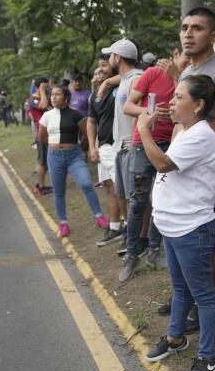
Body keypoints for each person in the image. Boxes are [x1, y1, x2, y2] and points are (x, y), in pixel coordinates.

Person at [142, 76, 215, 371]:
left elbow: (163, 164)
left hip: (191, 228)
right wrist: (176, 119)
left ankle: (208, 356)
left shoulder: (202, 135)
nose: (171, 102)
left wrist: (142, 129)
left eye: (179, 98)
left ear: (199, 105)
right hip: (173, 226)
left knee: (203, 294)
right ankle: (176, 338)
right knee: (180, 289)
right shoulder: (187, 130)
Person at [162, 7, 215, 314]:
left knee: (211, 239)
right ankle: (185, 298)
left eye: (196, 28)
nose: (187, 34)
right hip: (185, 162)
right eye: (184, 27)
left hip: (213, 163)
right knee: (184, 232)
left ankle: (206, 306)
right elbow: (179, 121)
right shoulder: (186, 73)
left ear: (212, 36)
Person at [118, 44, 187, 281]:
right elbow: (128, 106)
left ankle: (154, 251)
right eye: (185, 57)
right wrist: (147, 113)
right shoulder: (152, 73)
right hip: (143, 142)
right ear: (175, 54)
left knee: (162, 200)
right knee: (138, 200)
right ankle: (131, 255)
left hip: (173, 143)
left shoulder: (187, 79)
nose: (188, 62)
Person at [38, 85, 108, 236]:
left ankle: (99, 216)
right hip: (54, 156)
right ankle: (63, 223)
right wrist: (54, 146)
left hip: (74, 156)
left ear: (66, 98)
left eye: (58, 95)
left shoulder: (75, 114)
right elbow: (42, 137)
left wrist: (83, 148)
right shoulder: (47, 116)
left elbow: (86, 133)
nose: (54, 97)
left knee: (86, 183)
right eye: (52, 95)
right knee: (59, 192)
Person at [104, 38, 143, 253]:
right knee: (121, 193)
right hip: (120, 145)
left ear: (118, 58)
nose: (108, 58)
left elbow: (139, 112)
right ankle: (130, 234)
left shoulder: (136, 79)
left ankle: (136, 240)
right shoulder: (125, 79)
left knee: (132, 196)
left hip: (130, 146)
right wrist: (105, 82)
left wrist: (135, 143)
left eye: (110, 55)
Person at [87, 53, 125, 246]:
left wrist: (106, 83)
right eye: (99, 66)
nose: (101, 69)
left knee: (123, 189)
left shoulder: (120, 85)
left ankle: (130, 229)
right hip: (103, 148)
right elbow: (92, 121)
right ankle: (115, 228)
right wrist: (92, 146)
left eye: (105, 65)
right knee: (110, 188)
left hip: (120, 145)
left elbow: (133, 75)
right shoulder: (95, 94)